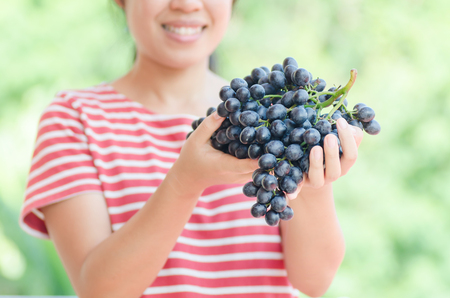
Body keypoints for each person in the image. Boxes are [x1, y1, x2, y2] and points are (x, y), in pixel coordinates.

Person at [19, 0, 364, 297]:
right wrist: (184, 182)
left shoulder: (273, 119)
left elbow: (315, 281)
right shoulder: (74, 119)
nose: (186, 4)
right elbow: (99, 290)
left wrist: (313, 179)